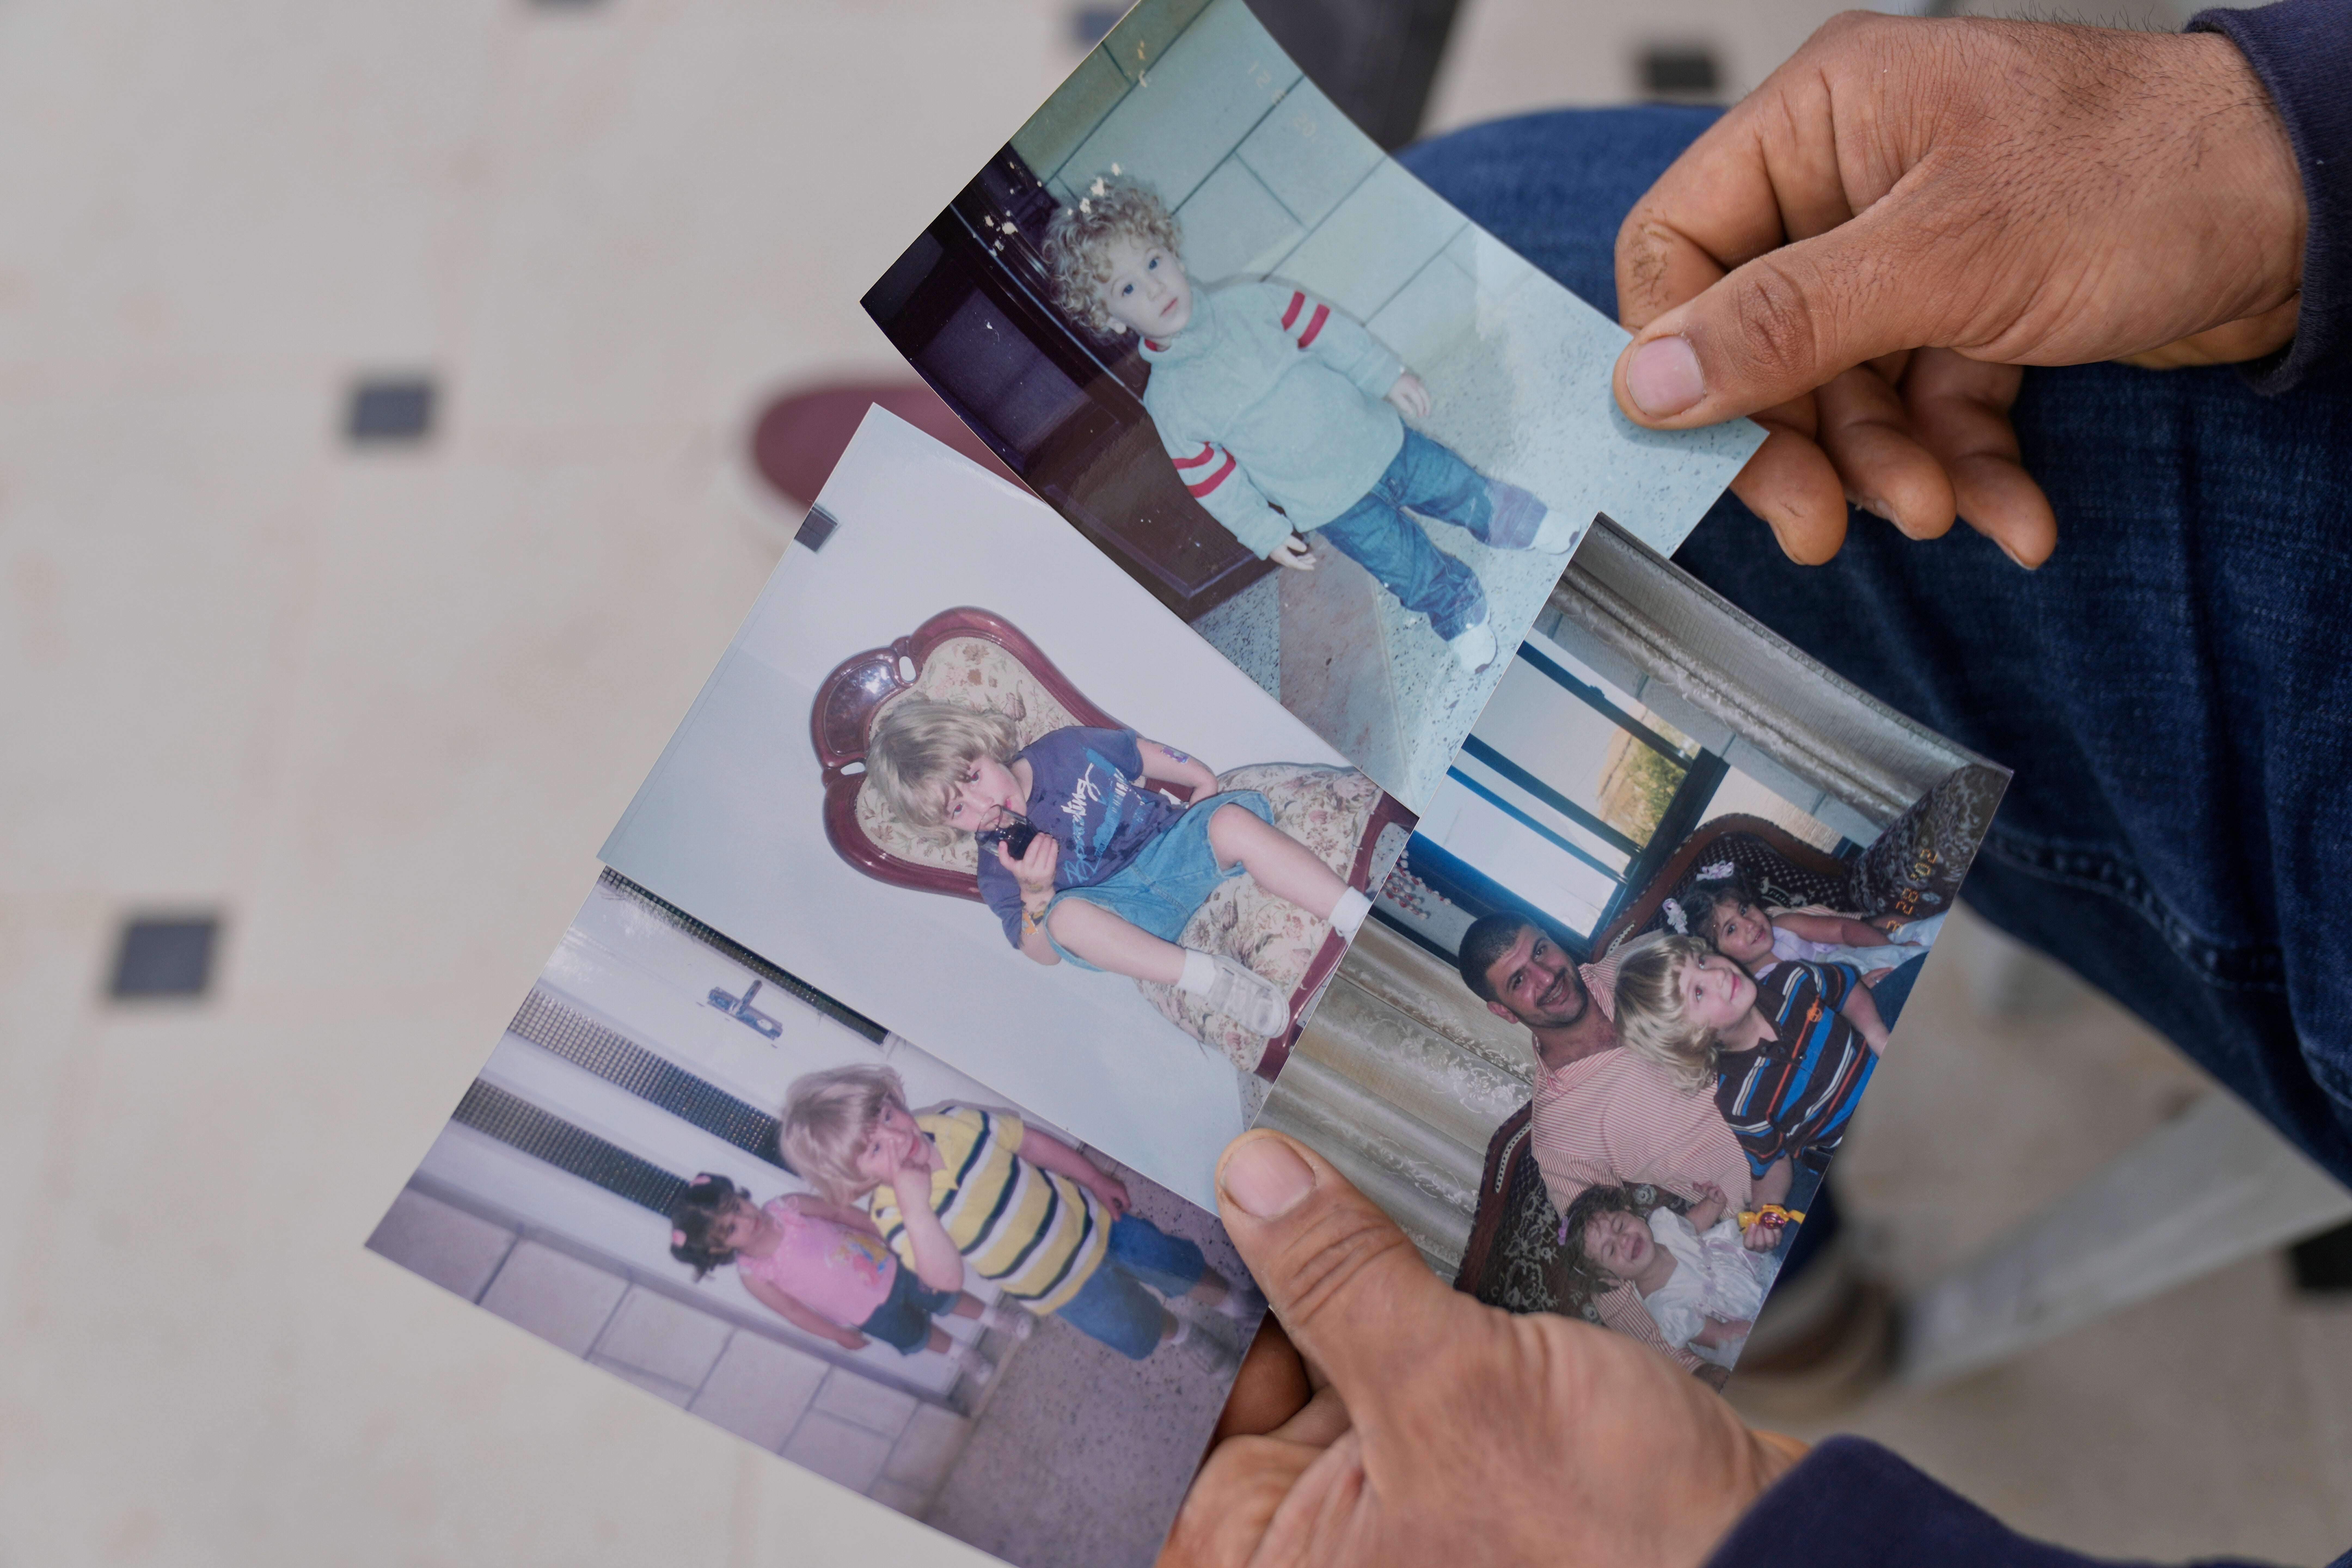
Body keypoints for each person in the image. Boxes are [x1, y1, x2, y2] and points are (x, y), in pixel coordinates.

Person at [1166, 0, 2351, 1560]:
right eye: (1531, 964)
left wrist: (1726, 1541)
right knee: (1537, 277)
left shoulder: (1592, 1054)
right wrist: (2286, 135)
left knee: (1515, 326)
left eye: (1525, 947)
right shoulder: (1598, 1075)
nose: (1536, 963)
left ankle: (1793, 1308)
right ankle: (1805, 1302)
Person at [1042, 177, 1578, 672]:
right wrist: (1265, 533)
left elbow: (1328, 333)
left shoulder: (1251, 301)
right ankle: (1458, 610)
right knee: (1404, 565)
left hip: (1381, 441)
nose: (1155, 289)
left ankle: (1521, 523)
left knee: (1461, 487)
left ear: (1172, 251)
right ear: (1111, 318)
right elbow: (1213, 481)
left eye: (1153, 263)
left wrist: (1384, 375)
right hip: (1331, 505)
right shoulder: (1170, 400)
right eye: (1128, 289)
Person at [863, 697, 1374, 1037]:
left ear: (984, 746)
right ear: (944, 824)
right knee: (1066, 920)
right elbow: (1042, 954)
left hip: (1174, 849)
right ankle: (1210, 979)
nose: (981, 807)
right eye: (957, 810)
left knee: (1233, 823)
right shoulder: (998, 866)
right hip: (1130, 914)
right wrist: (1037, 893)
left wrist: (1201, 781)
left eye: (973, 778)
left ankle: (1353, 914)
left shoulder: (1061, 751)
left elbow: (1140, 755)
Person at [778, 1064, 1257, 1364]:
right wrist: (917, 1208)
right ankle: (1183, 1335)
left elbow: (1029, 1142)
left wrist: (1093, 1177)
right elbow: (943, 1280)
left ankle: (1235, 1302)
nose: (897, 1138)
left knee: (1174, 1262)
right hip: (1058, 1287)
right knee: (1134, 1324)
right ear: (854, 1179)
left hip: (1096, 1225)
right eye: (873, 1150)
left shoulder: (951, 1122)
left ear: (892, 1100)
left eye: (885, 1117)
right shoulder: (895, 1216)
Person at [1456, 910, 1753, 1215]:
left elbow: (1753, 931)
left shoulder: (1640, 962)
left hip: (1797, 1084)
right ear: (1503, 1011)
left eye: (1541, 950)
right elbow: (1599, 1238)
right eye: (1519, 981)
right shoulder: (1558, 1133)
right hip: (1769, 1201)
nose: (1546, 977)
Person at [664, 1172, 1022, 1382]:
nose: (745, 1221)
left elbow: (839, 1213)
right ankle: (961, 1354)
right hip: (865, 1313)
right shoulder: (754, 1275)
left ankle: (995, 1317)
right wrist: (837, 1334)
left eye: (737, 1208)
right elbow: (794, 1312)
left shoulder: (787, 1208)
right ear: (717, 1250)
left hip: (889, 1265)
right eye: (731, 1229)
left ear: (739, 1196)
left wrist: (882, 1231)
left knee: (944, 1295)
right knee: (918, 1334)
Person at [1559, 1180, 1777, 1367]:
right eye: (1612, 1250)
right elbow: (1721, 1335)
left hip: (1746, 1264)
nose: (1624, 1240)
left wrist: (1714, 1203)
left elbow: (1692, 1224)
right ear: (1612, 1279)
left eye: (1620, 1226)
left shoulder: (1662, 1225)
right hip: (1744, 1320)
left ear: (1629, 1212)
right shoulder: (1668, 1309)